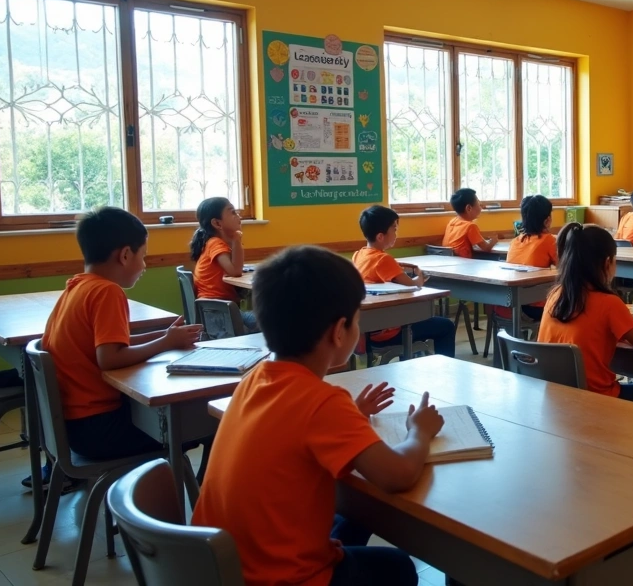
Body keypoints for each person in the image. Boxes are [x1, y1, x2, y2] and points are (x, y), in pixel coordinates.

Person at [193, 245, 445, 586]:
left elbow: (291, 430)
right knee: (397, 567)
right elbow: (397, 475)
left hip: (224, 568)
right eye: (357, 319)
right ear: (339, 330)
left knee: (353, 521)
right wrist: (419, 431)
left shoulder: (255, 378)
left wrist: (352, 417)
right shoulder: (322, 402)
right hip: (279, 578)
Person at [45, 207, 205, 474]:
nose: (144, 266)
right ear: (125, 255)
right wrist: (165, 343)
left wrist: (165, 336)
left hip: (74, 428)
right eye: (143, 256)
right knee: (203, 421)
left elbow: (109, 344)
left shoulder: (76, 287)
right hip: (100, 430)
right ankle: (203, 498)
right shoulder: (108, 292)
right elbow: (109, 358)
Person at [538, 223, 633, 410]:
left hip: (558, 399)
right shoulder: (608, 302)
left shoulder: (557, 295)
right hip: (596, 401)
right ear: (607, 263)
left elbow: (604, 321)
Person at [353, 205, 457, 359]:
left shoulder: (359, 254)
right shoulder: (383, 258)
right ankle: (448, 370)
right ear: (381, 236)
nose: (396, 233)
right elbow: (413, 286)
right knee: (446, 325)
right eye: (394, 229)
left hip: (367, 330)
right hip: (388, 330)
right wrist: (420, 277)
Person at [190, 197, 257, 331]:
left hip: (220, 310)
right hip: (218, 314)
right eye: (232, 212)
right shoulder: (215, 243)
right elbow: (235, 271)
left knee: (266, 321)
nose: (239, 216)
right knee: (270, 322)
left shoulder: (215, 243)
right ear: (217, 223)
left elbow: (235, 268)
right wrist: (237, 240)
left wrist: (235, 242)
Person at [500, 195, 559, 321]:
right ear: (547, 220)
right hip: (534, 306)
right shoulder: (548, 240)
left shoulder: (516, 240)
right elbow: (564, 267)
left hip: (507, 305)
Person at [443, 188, 496, 258]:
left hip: (449, 261)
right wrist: (494, 241)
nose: (481, 208)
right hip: (463, 264)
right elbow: (486, 248)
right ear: (469, 208)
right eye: (479, 204)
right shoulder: (470, 226)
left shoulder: (452, 222)